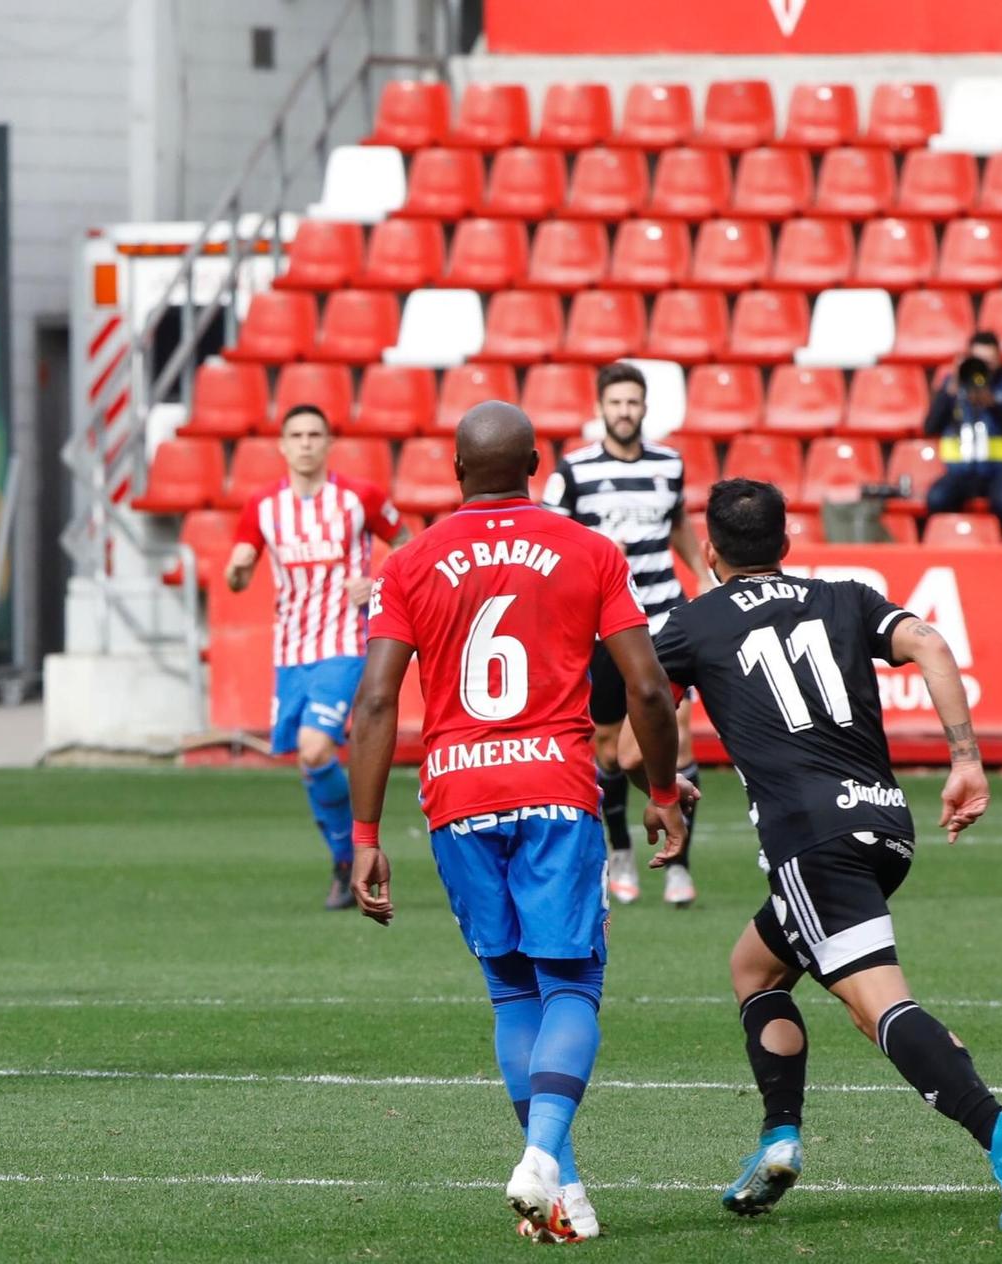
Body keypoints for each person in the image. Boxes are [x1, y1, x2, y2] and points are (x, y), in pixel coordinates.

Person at [649, 478, 1002, 1230]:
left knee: (878, 1008)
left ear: (707, 551)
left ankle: (1000, 1129)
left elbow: (640, 705)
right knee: (754, 968)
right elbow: (931, 644)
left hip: (811, 842)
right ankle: (778, 1139)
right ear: (786, 543)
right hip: (886, 828)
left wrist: (661, 787)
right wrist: (966, 760)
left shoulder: (692, 623)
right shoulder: (845, 596)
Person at [346, 401, 692, 1243]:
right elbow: (648, 687)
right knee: (570, 984)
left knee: (510, 990)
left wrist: (364, 837)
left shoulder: (411, 561)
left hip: (457, 798)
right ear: (537, 465)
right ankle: (541, 1159)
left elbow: (378, 701)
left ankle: (564, 1194)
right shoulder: (589, 550)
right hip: (555, 792)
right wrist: (661, 789)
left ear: (456, 470)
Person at [221, 403, 405, 909]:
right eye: (297, 435)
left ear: (328, 444)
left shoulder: (359, 498)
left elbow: (407, 544)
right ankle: (346, 860)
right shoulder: (262, 507)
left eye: (314, 434)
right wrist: (238, 569)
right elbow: (236, 576)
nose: (305, 443)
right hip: (290, 652)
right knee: (309, 764)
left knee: (315, 748)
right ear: (282, 445)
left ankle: (354, 849)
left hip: (345, 643)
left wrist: (378, 582)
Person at [541, 362, 706, 908]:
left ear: (644, 407)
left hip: (664, 616)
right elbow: (551, 536)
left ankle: (679, 865)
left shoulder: (668, 463)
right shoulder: (574, 470)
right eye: (615, 403)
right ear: (601, 408)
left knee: (677, 735)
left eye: (633, 402)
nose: (624, 411)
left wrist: (701, 576)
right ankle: (620, 849)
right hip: (603, 622)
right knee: (609, 746)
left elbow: (677, 523)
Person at [925, 332, 1002, 525]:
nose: (984, 367)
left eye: (989, 361)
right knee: (937, 498)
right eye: (979, 361)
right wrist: (949, 392)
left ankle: (1001, 542)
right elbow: (930, 426)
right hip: (963, 470)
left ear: (999, 359)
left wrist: (994, 404)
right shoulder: (955, 384)